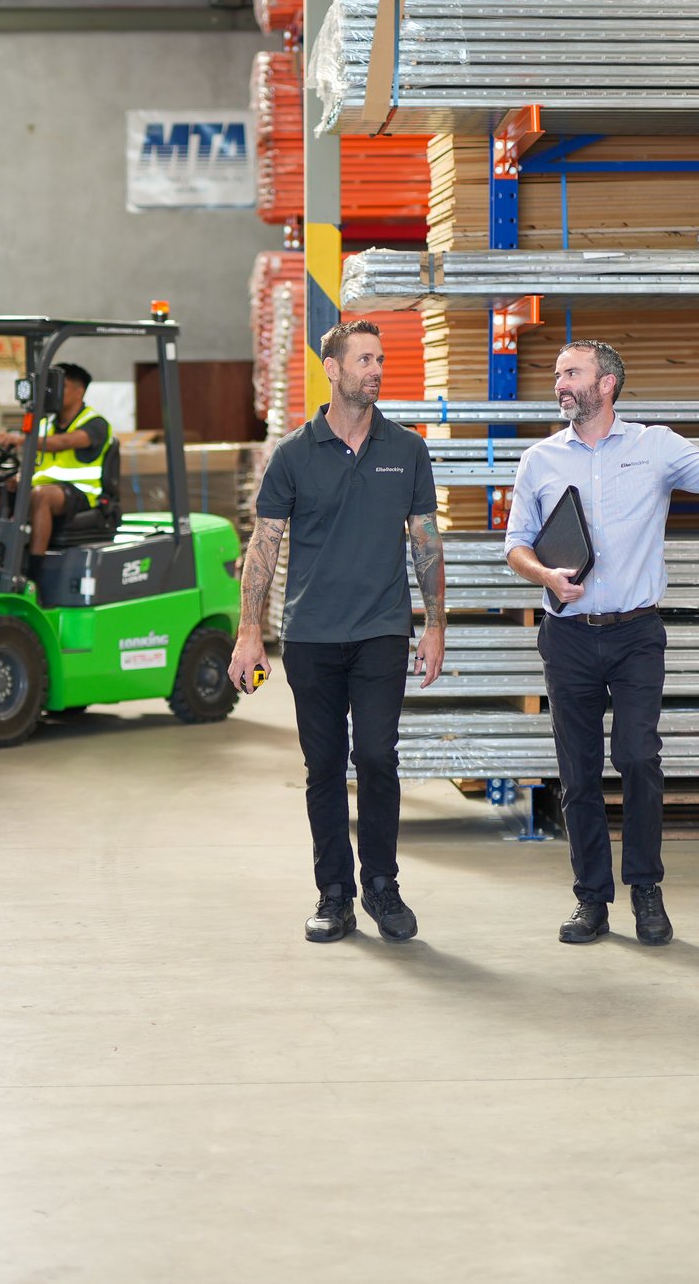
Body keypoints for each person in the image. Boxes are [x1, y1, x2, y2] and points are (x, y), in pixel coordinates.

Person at [504, 341, 699, 947]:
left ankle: (646, 892)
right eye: (557, 374)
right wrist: (545, 577)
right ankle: (590, 900)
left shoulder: (655, 446)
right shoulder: (539, 460)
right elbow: (515, 545)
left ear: (605, 385)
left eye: (571, 373)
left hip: (636, 633)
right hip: (567, 637)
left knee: (637, 758)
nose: (559, 383)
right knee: (578, 774)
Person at [229, 319, 446, 945]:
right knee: (323, 766)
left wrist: (434, 625)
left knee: (377, 757)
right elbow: (264, 547)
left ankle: (382, 886)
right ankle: (334, 894)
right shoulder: (294, 455)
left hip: (381, 630)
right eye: (364, 360)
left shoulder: (407, 449)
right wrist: (250, 634)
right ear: (332, 368)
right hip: (311, 638)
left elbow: (426, 541)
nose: (376, 370)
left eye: (381, 360)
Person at [0, 362, 117, 557]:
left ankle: (36, 565)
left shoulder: (95, 423)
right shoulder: (45, 424)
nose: (53, 392)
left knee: (41, 496)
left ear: (79, 392)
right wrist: (17, 477)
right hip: (43, 486)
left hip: (81, 492)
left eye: (62, 386)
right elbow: (37, 460)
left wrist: (21, 439)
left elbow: (62, 442)